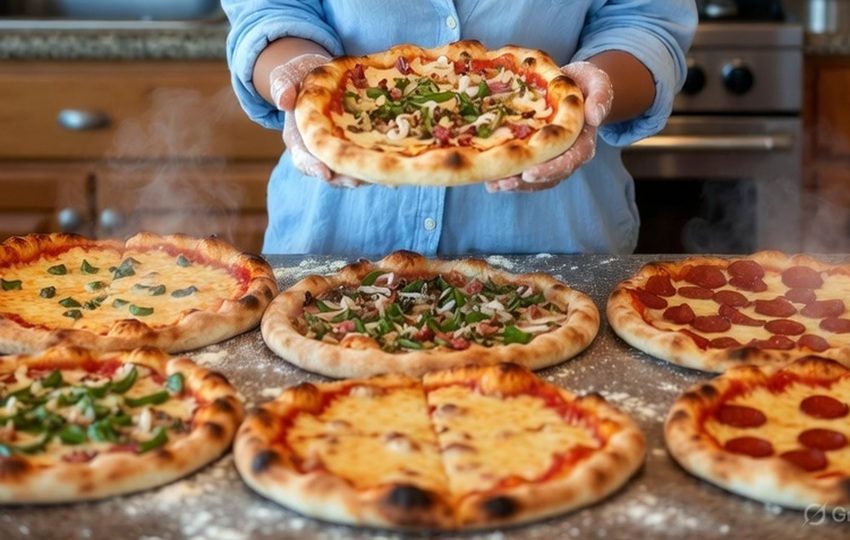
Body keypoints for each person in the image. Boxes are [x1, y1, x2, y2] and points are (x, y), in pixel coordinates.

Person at [222, 1, 697, 256]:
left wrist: (595, 87)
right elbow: (270, 10)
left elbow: (645, 21)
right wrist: (302, 77)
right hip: (333, 247)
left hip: (558, 252)